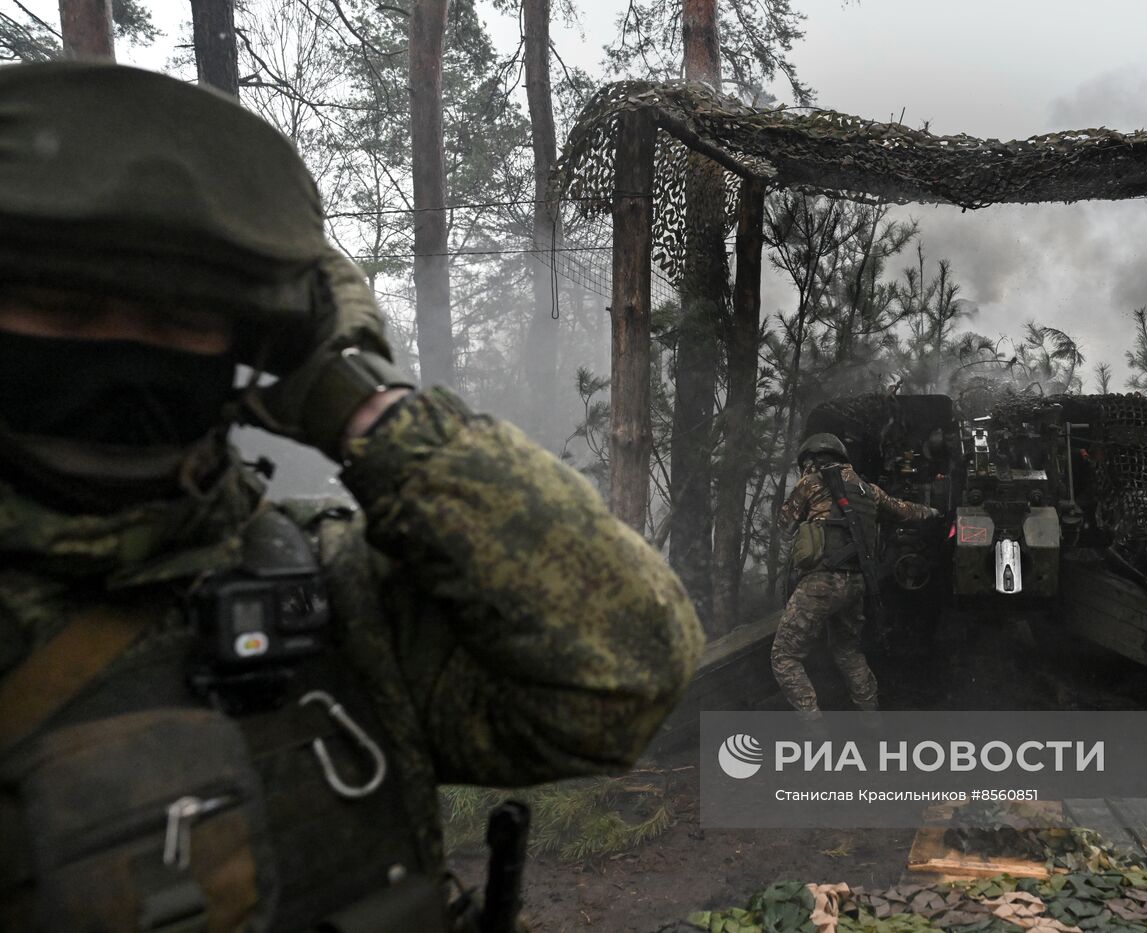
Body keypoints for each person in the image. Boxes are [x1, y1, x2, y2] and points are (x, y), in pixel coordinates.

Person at [0, 62, 702, 932]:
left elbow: (629, 668)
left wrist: (364, 404)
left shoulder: (325, 594)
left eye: (182, 321)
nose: (124, 348)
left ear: (257, 341)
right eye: (64, 308)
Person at [771, 433, 938, 718]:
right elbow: (904, 511)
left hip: (821, 583)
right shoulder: (868, 490)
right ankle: (871, 723)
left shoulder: (811, 483)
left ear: (811, 460)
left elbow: (784, 525)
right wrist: (934, 511)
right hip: (857, 584)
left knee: (785, 656)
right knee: (847, 651)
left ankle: (814, 729)